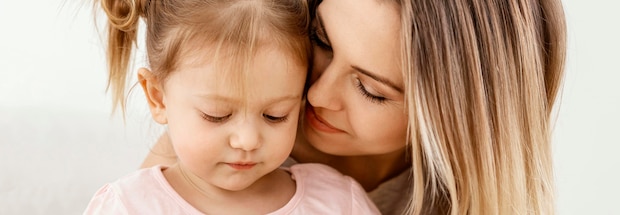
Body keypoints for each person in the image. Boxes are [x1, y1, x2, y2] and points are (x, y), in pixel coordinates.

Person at [144, 0, 567, 214]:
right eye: (321, 41)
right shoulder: (223, 150)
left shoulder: (461, 194)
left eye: (371, 90)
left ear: (455, 121)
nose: (315, 96)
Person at [84, 0, 381, 214]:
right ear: (158, 97)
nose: (248, 140)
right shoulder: (128, 206)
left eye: (275, 115)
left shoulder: (339, 202)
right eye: (217, 115)